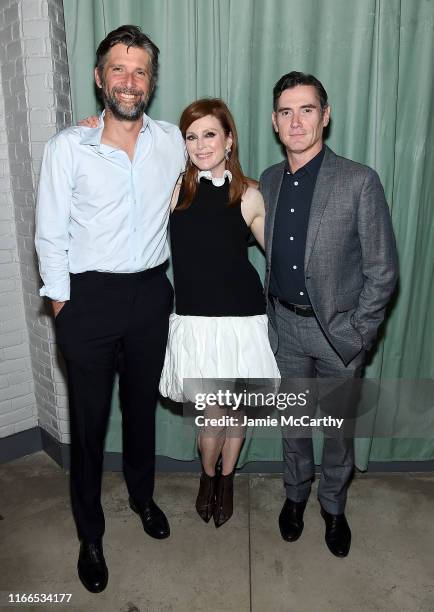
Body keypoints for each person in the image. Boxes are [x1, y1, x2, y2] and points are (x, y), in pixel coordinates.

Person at [35, 25, 185, 593]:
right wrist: (61, 305)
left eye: (140, 70)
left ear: (152, 81)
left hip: (150, 294)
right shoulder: (67, 147)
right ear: (99, 78)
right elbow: (49, 234)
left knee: (142, 411)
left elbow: (214, 176)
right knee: (90, 424)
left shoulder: (171, 142)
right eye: (118, 69)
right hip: (87, 300)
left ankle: (144, 499)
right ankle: (90, 532)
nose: (129, 81)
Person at [260, 72, 398, 557]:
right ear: (275, 122)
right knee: (293, 425)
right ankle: (295, 497)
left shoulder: (358, 180)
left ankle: (333, 506)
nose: (296, 121)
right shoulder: (271, 180)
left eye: (306, 109)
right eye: (285, 111)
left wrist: (359, 333)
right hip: (285, 329)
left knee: (339, 432)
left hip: (339, 333)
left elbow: (383, 270)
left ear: (326, 114)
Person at [159, 98, 280, 527]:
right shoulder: (174, 191)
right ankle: (207, 476)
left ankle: (227, 480)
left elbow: (281, 253)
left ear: (228, 139)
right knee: (213, 415)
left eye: (209, 134)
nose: (200, 144)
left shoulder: (248, 193)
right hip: (197, 323)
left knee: (236, 413)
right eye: (191, 136)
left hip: (244, 321)